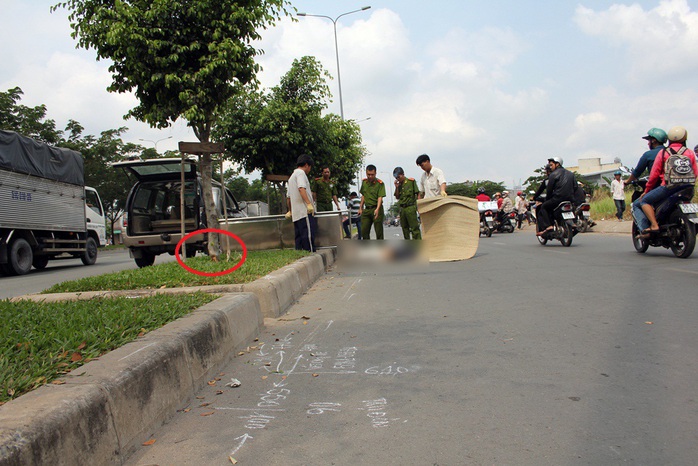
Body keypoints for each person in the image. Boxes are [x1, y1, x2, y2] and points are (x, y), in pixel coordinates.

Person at [633, 126, 698, 238]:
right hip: (688, 188)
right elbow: (695, 172)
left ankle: (653, 225)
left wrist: (647, 190)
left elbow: (653, 176)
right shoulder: (689, 153)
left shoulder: (664, 153)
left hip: (668, 187)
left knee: (644, 201)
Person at [536, 156, 577, 236]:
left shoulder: (553, 175)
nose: (550, 167)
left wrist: (548, 199)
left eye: (551, 165)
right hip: (570, 199)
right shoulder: (571, 174)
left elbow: (549, 190)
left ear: (557, 164)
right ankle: (574, 222)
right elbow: (575, 187)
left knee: (544, 207)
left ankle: (549, 226)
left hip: (557, 199)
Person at [286, 154, 317, 252]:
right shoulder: (300, 173)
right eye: (310, 167)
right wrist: (308, 203)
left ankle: (300, 255)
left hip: (296, 213)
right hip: (304, 212)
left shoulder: (292, 177)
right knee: (308, 236)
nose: (309, 170)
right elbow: (301, 188)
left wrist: (290, 210)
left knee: (299, 237)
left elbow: (288, 197)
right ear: (307, 165)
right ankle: (310, 253)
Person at [393, 166, 421, 240]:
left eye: (398, 177)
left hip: (410, 207)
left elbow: (417, 194)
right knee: (405, 229)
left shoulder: (411, 182)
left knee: (414, 228)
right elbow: (397, 197)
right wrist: (396, 187)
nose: (397, 179)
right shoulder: (399, 185)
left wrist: (419, 206)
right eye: (396, 178)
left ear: (403, 174)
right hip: (402, 209)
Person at [359, 164, 387, 240]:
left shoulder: (380, 184)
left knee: (379, 232)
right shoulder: (364, 183)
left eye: (372, 175)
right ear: (366, 173)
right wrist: (360, 208)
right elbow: (363, 195)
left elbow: (380, 197)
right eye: (368, 174)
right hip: (367, 210)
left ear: (375, 173)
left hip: (376, 209)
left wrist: (377, 209)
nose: (370, 176)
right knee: (364, 231)